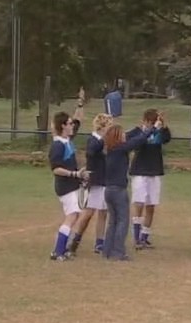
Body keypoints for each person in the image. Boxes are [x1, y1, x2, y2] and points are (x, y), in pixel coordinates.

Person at [101, 119, 162, 261]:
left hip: (108, 190)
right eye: (121, 134)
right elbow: (138, 140)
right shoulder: (120, 149)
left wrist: (139, 127)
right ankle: (118, 252)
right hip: (118, 190)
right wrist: (152, 128)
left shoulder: (110, 150)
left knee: (113, 221)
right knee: (122, 221)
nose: (124, 136)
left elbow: (133, 136)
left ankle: (107, 250)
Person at [48, 90, 90, 261]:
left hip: (73, 184)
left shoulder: (67, 141)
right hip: (65, 186)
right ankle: (58, 251)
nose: (73, 125)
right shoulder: (58, 145)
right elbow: (55, 168)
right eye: (70, 123)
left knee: (75, 215)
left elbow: (78, 118)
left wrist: (80, 102)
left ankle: (61, 250)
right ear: (63, 126)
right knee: (72, 216)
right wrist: (75, 174)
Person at [67, 113, 113, 256]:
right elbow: (92, 151)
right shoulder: (93, 140)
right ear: (102, 126)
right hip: (94, 181)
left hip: (105, 180)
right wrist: (104, 139)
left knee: (103, 212)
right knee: (88, 213)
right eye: (109, 126)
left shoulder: (105, 141)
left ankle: (99, 242)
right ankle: (74, 242)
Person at [128, 109, 171, 250]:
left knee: (151, 205)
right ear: (145, 121)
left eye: (154, 122)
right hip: (140, 171)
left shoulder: (159, 132)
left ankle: (144, 237)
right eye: (150, 122)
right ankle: (136, 238)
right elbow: (133, 143)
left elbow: (167, 138)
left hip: (154, 171)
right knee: (139, 204)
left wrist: (163, 126)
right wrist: (150, 130)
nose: (153, 124)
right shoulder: (137, 131)